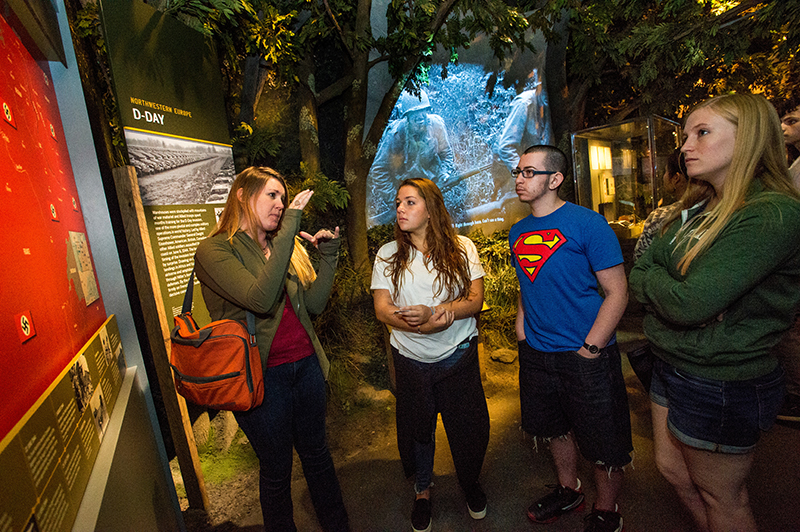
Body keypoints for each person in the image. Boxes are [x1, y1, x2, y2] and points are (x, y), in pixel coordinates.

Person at [629, 93, 800, 532]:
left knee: (723, 497)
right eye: (686, 135)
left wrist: (670, 296)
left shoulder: (771, 214)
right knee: (673, 473)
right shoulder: (699, 207)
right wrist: (670, 295)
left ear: (749, 140)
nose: (686, 146)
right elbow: (643, 269)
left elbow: (689, 303)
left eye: (702, 133)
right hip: (673, 363)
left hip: (720, 379)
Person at [194, 167, 349, 532]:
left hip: (306, 368)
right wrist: (291, 225)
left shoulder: (281, 246)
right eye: (272, 196)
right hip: (262, 378)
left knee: (317, 456)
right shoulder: (215, 250)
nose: (280, 205)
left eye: (283, 198)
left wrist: (328, 256)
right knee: (277, 471)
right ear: (242, 196)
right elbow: (260, 300)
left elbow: (313, 306)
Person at [510, 145, 631, 532]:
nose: (519, 179)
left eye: (529, 172)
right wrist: (521, 327)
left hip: (586, 353)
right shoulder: (517, 230)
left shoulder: (588, 224)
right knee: (553, 428)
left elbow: (617, 292)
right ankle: (569, 490)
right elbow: (527, 283)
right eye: (518, 171)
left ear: (555, 179)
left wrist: (591, 348)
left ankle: (607, 510)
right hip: (537, 353)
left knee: (602, 439)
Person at [371, 177, 489, 532]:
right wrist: (418, 324)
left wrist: (439, 313)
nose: (400, 210)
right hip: (411, 361)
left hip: (457, 357)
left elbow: (475, 300)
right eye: (397, 204)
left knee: (467, 428)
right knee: (418, 430)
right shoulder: (389, 254)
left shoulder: (462, 247)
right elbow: (381, 308)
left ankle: (470, 483)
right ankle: (423, 491)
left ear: (430, 208)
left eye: (409, 202)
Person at [368, 90, 456, 226]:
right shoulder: (395, 134)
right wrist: (397, 200)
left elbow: (446, 154)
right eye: (415, 116)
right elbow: (379, 170)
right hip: (404, 190)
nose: (421, 119)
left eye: (423, 113)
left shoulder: (436, 126)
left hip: (431, 189)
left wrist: (445, 173)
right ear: (407, 117)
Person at [774, 97, 800, 423]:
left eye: (792, 120)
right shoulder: (793, 165)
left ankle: (795, 394)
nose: (784, 127)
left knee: (791, 332)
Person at [492, 75, 553, 203]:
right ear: (539, 88)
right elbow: (505, 148)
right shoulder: (523, 104)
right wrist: (525, 178)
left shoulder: (548, 108)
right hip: (510, 177)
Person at [633, 148, 689, 261]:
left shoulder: (659, 216)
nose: (663, 176)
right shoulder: (715, 209)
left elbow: (640, 260)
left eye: (665, 171)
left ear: (675, 178)